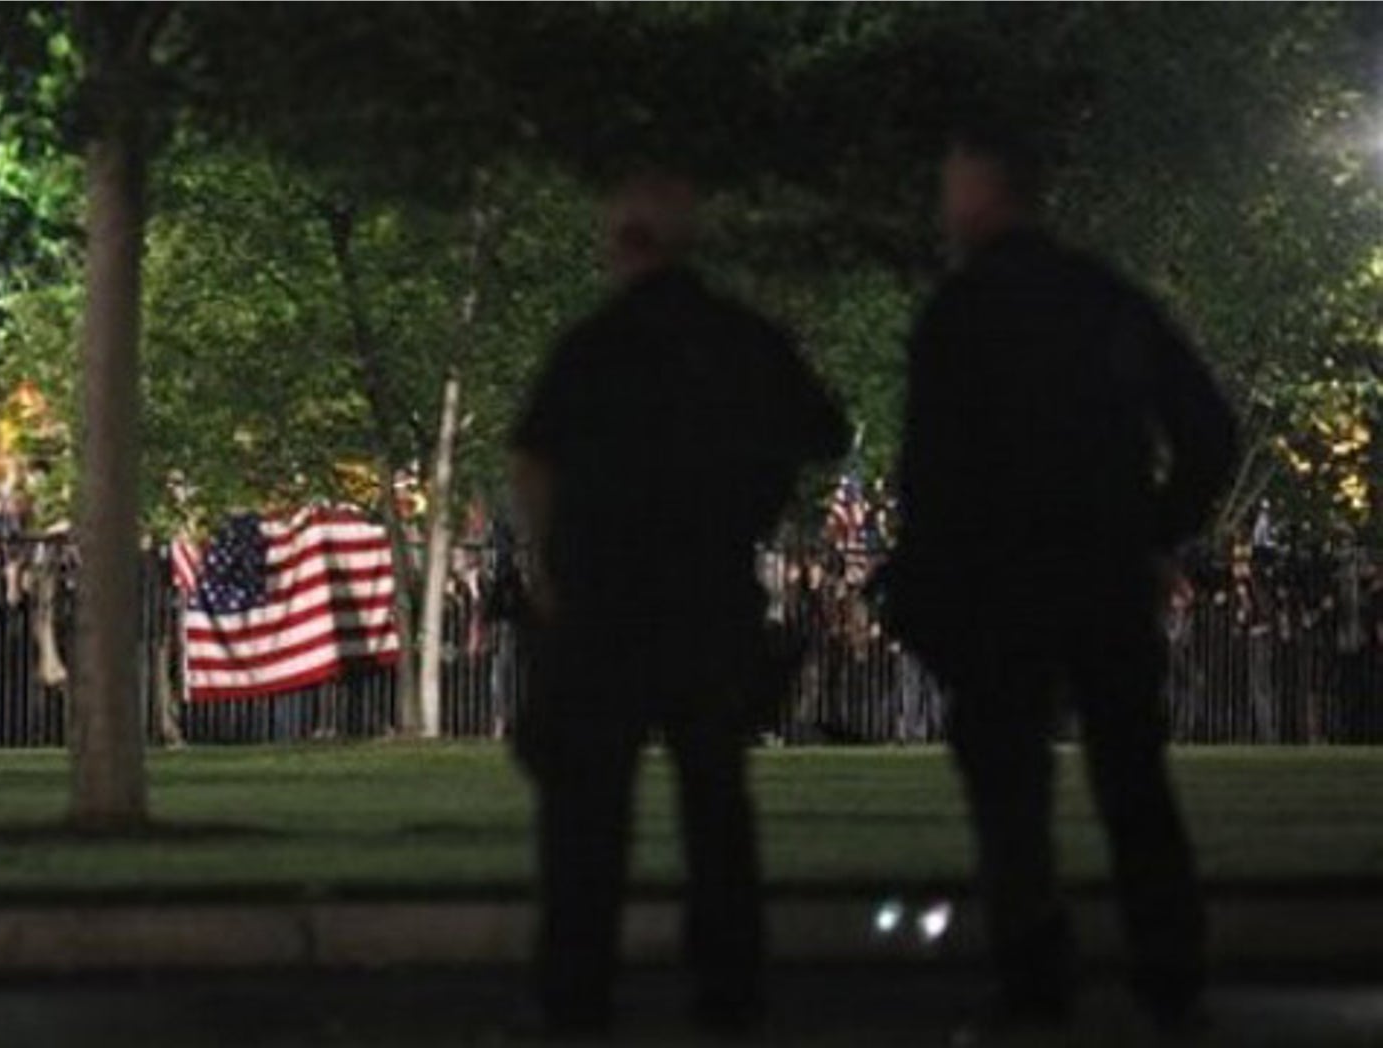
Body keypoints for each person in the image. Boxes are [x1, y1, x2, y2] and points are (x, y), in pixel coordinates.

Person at [882, 124, 1239, 1041]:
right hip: (1104, 575)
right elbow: (1207, 432)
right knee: (1132, 780)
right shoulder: (1106, 301)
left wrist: (929, 581)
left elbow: (931, 474)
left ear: (980, 195)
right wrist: (1152, 531)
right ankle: (1170, 975)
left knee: (1011, 796)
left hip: (1000, 585)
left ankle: (1035, 983)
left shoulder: (961, 314)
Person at [509, 172, 848, 1038]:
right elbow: (825, 430)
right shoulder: (741, 342)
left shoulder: (593, 347)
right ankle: (728, 989)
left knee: (589, 816)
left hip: (606, 606)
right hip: (710, 597)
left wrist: (548, 569)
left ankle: (576, 993)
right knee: (716, 804)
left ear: (622, 246)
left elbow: (536, 459)